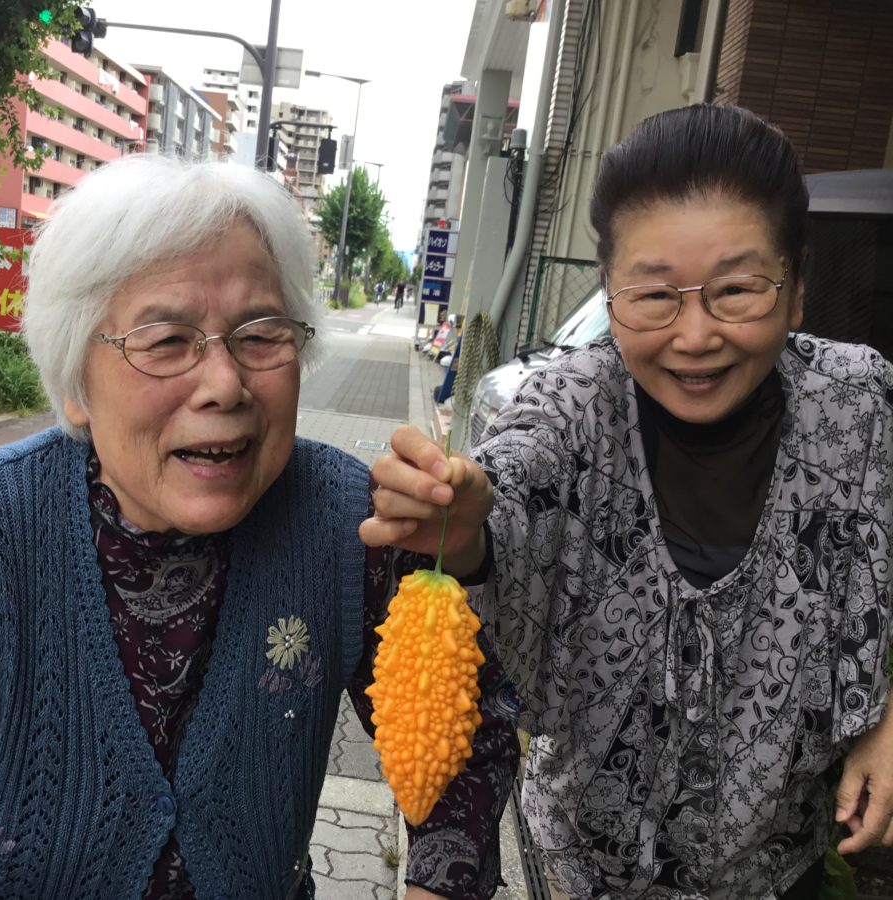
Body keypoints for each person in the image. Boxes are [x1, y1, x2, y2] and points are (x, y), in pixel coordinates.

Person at [0, 155, 521, 900]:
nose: (224, 384)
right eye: (165, 341)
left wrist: (462, 551)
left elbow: (469, 745)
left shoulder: (349, 525)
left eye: (261, 334)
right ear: (74, 386)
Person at [362, 104, 893, 899]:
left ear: (796, 288)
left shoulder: (860, 405)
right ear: (611, 295)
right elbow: (511, 490)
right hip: (579, 874)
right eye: (653, 296)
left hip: (779, 875)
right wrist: (465, 523)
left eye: (737, 289)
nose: (695, 334)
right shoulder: (572, 407)